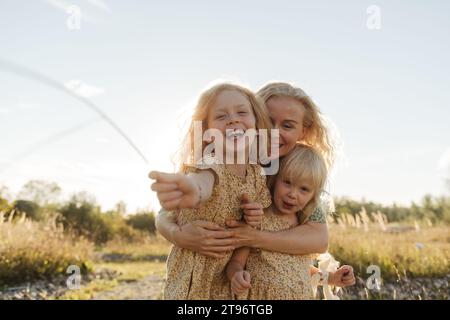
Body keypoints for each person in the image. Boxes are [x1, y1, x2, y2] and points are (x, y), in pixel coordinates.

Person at [155, 82, 334, 258]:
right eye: (268, 121)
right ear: (255, 119)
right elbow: (165, 214)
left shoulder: (297, 170)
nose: (274, 132)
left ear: (303, 131)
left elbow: (319, 239)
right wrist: (177, 235)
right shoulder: (230, 159)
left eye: (287, 126)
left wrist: (253, 238)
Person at [149, 82, 272, 299]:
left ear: (256, 122)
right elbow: (202, 183)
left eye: (242, 112)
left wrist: (253, 219)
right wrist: (192, 189)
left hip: (226, 282)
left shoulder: (257, 176)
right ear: (207, 133)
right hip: (192, 280)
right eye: (221, 116)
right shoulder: (210, 164)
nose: (233, 119)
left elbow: (249, 234)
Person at [226, 144, 355, 299]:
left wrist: (331, 277)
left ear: (313, 196)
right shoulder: (258, 218)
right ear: (275, 179)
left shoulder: (302, 224)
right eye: (287, 182)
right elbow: (236, 263)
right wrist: (236, 275)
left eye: (304, 189)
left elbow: (300, 269)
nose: (293, 194)